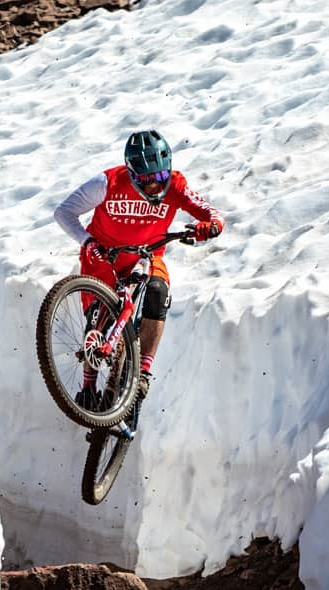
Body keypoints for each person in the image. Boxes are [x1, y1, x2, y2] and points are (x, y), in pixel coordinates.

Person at [54, 130, 225, 410]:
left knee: (158, 292)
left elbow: (212, 213)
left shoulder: (176, 185)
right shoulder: (106, 182)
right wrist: (87, 241)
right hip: (104, 255)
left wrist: (212, 226)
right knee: (99, 317)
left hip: (146, 254)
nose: (157, 186)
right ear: (132, 174)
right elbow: (63, 212)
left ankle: (143, 372)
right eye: (147, 180)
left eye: (160, 177)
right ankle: (88, 385)